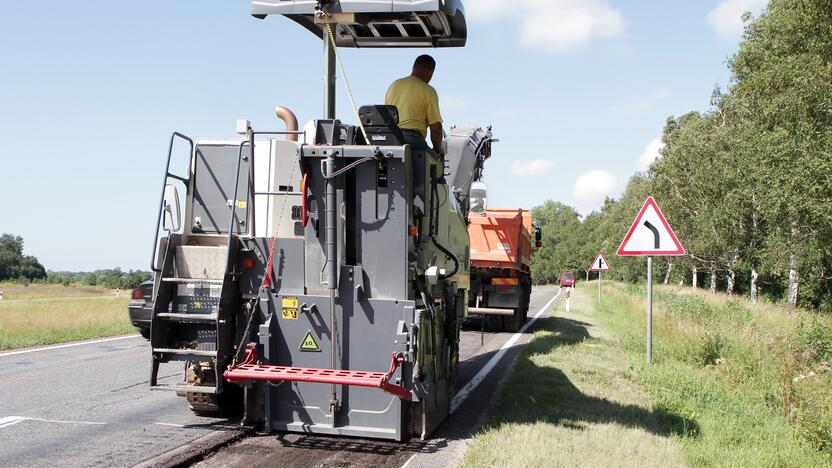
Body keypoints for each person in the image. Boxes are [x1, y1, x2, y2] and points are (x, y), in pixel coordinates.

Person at [385, 54, 445, 157]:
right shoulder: (428, 90)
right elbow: (436, 127)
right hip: (413, 140)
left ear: (413, 68)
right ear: (429, 72)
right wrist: (437, 149)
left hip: (390, 138)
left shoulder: (393, 85)